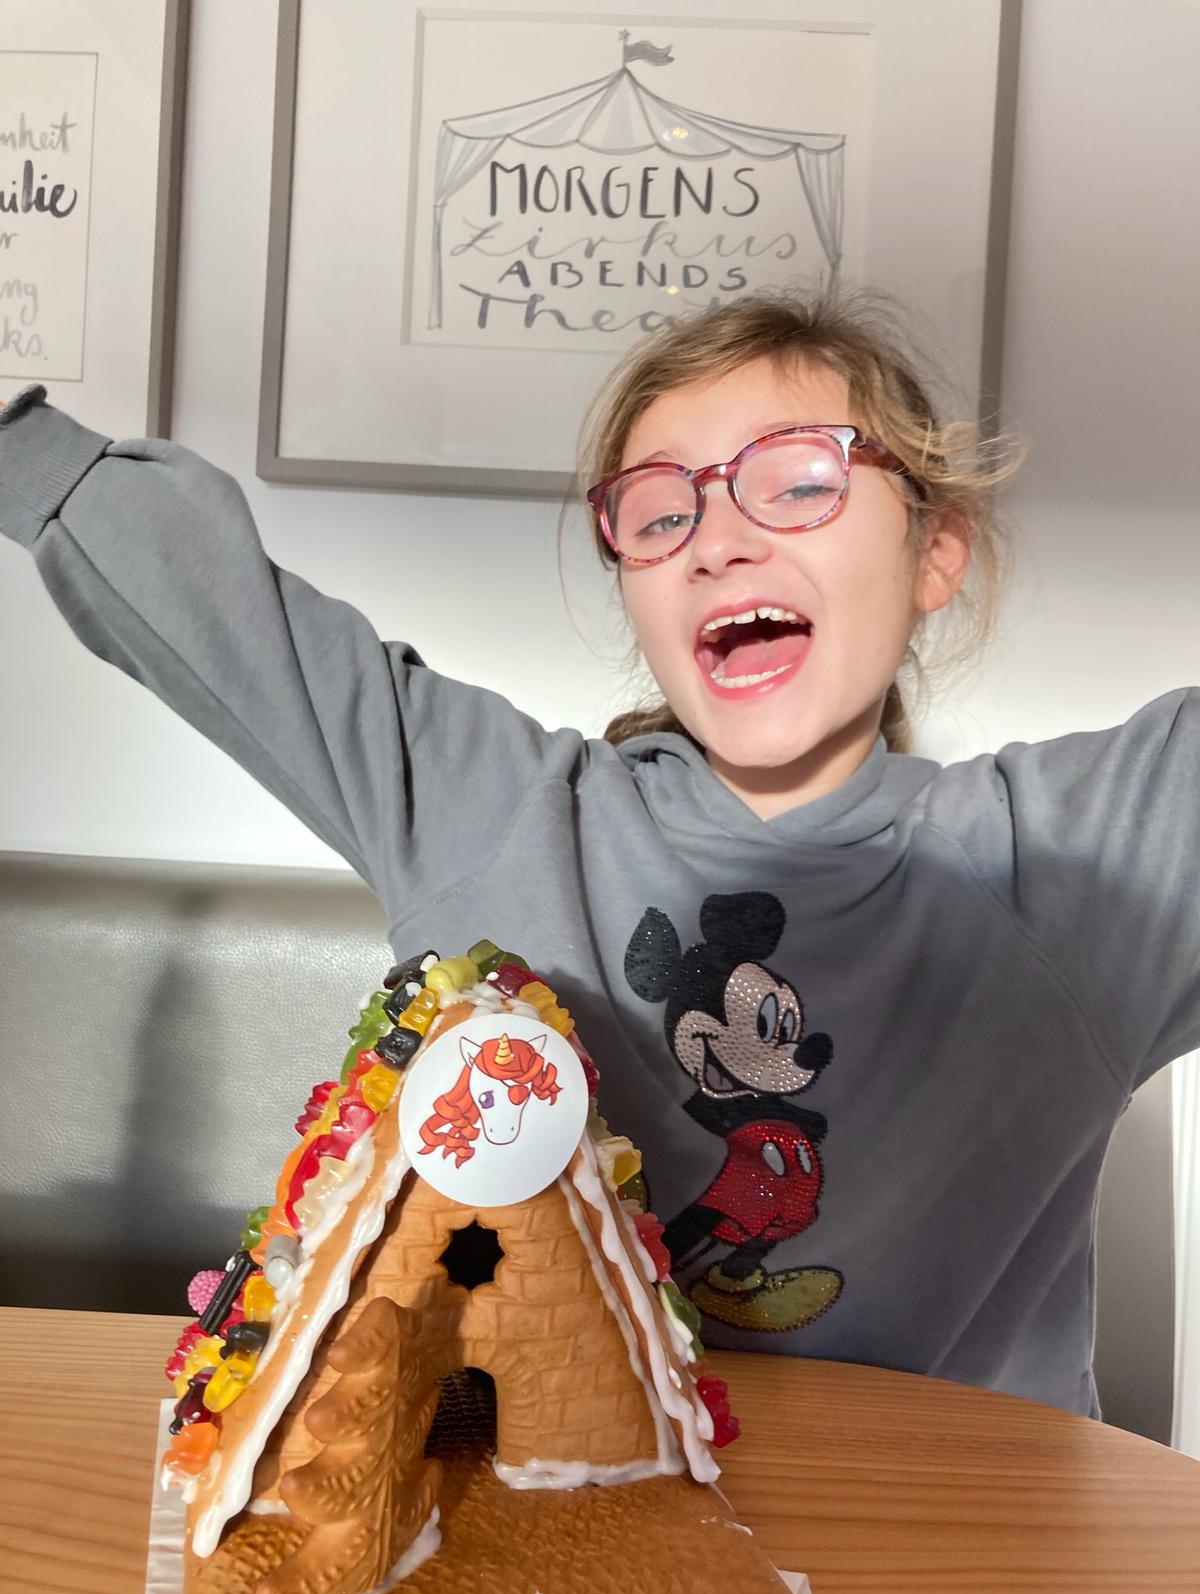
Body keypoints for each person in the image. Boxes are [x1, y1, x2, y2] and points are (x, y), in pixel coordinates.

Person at [1, 289, 1196, 1421]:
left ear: (935, 553)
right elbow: (214, 605)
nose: (717, 541)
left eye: (798, 481)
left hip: (961, 1527)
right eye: (662, 512)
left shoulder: (1078, 862)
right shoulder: (500, 808)